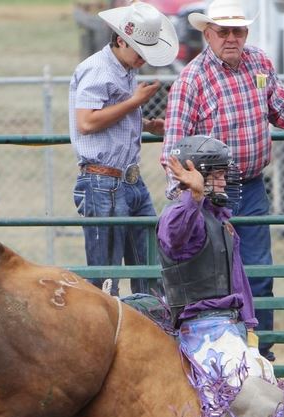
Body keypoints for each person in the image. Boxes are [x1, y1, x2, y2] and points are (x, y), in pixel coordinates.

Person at [161, 0, 284, 361]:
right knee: (214, 277)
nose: (232, 38)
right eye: (224, 31)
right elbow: (173, 148)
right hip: (211, 193)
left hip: (252, 184)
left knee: (259, 274)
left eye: (238, 31)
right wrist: (189, 194)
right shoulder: (192, 79)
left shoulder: (258, 62)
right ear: (208, 33)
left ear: (246, 33)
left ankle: (263, 354)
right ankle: (217, 356)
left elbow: (279, 104)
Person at [137, 135, 284, 417]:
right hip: (204, 333)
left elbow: (237, 284)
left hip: (231, 330)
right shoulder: (181, 215)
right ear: (194, 176)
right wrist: (190, 197)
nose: (224, 182)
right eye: (218, 175)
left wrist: (250, 332)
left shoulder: (218, 220)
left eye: (225, 174)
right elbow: (172, 238)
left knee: (276, 412)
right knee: (263, 406)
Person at [69, 1, 179, 295]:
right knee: (107, 277)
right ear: (121, 40)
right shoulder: (96, 70)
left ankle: (150, 325)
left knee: (150, 263)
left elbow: (107, 114)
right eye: (140, 50)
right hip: (103, 181)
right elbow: (87, 122)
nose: (144, 57)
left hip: (125, 179)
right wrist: (135, 103)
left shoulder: (123, 69)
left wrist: (145, 123)